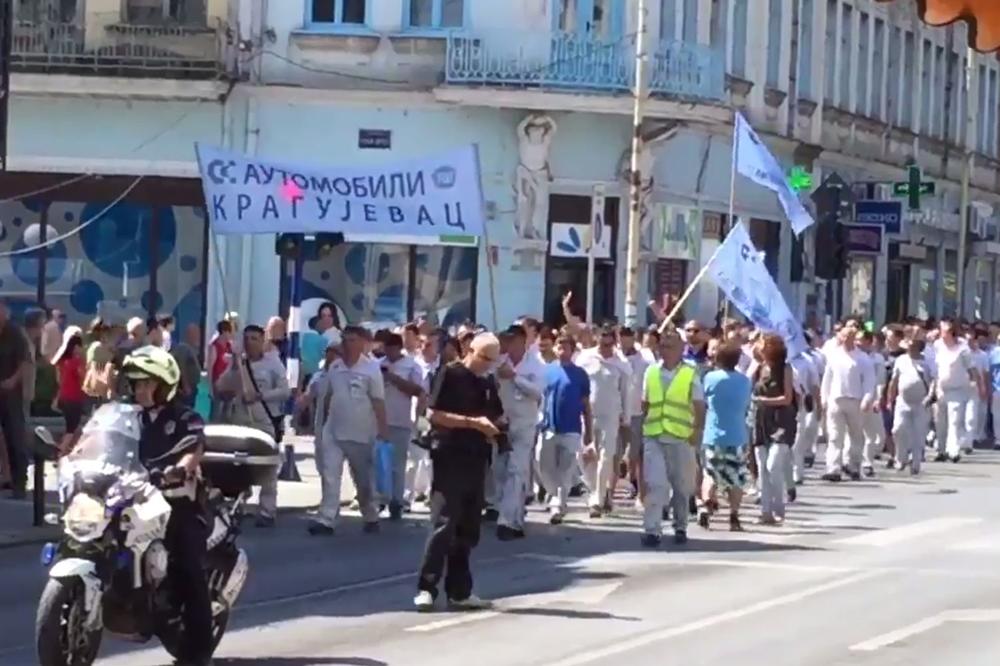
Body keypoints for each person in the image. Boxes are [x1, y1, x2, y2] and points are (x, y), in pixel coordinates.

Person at [121, 346, 213, 666]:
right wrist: (73, 454)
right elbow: (98, 440)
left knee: (186, 566)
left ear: (165, 386)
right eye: (137, 384)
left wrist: (182, 467)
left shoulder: (186, 418)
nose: (140, 390)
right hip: (135, 500)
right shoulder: (127, 416)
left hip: (179, 504)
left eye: (148, 384)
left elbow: (195, 448)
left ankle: (200, 651)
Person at [414, 333, 504, 612]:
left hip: (476, 458)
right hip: (449, 455)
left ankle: (459, 590)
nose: (487, 365)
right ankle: (426, 587)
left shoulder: (487, 382)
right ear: (470, 350)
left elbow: (495, 414)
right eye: (484, 358)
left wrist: (498, 428)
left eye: (492, 361)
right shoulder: (450, 373)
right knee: (444, 523)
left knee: (467, 527)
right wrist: (472, 423)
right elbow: (434, 414)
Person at [309, 325, 387, 535]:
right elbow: (326, 397)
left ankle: (370, 514)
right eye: (345, 340)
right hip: (334, 431)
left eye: (353, 340)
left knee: (362, 481)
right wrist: (321, 426)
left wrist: (383, 429)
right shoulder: (335, 368)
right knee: (330, 475)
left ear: (362, 343)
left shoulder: (371, 369)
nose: (348, 345)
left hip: (360, 433)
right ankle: (327, 518)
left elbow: (378, 401)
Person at [214, 325, 289, 527]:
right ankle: (239, 506)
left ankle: (267, 510)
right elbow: (220, 387)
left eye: (255, 338)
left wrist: (262, 395)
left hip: (262, 419)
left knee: (267, 466)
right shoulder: (237, 363)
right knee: (237, 466)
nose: (249, 342)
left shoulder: (273, 363)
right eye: (246, 338)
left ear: (263, 341)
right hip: (239, 419)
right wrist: (235, 366)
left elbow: (285, 391)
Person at [640, 331, 704, 547]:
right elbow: (645, 403)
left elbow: (699, 405)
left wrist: (696, 431)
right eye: (663, 345)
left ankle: (680, 526)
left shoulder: (690, 372)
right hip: (655, 435)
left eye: (670, 345)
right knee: (655, 484)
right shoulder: (651, 371)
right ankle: (652, 530)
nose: (664, 349)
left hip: (680, 437)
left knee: (681, 486)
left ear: (680, 348)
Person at [495, 324, 546, 540]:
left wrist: (514, 377)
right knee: (500, 471)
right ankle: (515, 518)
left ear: (522, 341)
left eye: (513, 340)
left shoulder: (536, 364)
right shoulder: (499, 362)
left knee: (516, 470)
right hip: (502, 424)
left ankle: (505, 521)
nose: (509, 345)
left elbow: (538, 393)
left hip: (524, 425)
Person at [537, 334, 593, 525]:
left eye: (565, 347)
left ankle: (558, 505)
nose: (562, 350)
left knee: (566, 468)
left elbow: (586, 405)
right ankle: (552, 493)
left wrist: (589, 432)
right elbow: (539, 399)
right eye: (559, 346)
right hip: (549, 428)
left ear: (572, 350)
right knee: (544, 466)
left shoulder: (580, 375)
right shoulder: (547, 372)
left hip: (572, 429)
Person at [575, 326, 630, 518]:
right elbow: (577, 385)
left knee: (607, 457)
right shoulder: (584, 358)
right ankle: (594, 490)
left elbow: (625, 390)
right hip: (587, 415)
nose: (606, 348)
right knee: (586, 456)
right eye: (602, 343)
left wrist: (627, 415)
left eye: (609, 344)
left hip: (611, 415)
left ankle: (597, 499)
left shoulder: (620, 363)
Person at [698, 342, 752, 531]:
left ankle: (706, 505)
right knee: (736, 477)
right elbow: (746, 405)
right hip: (737, 434)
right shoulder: (745, 381)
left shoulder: (710, 378)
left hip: (713, 434)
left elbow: (702, 401)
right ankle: (734, 515)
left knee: (710, 473)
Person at [750, 334, 797, 525]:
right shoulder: (759, 368)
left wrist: (763, 400)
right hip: (761, 420)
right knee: (762, 468)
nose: (758, 346)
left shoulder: (785, 369)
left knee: (773, 465)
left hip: (781, 420)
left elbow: (787, 398)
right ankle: (765, 512)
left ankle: (779, 508)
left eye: (762, 343)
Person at [821, 322, 876, 482]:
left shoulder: (862, 358)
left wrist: (867, 398)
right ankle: (833, 468)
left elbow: (869, 381)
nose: (845, 339)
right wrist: (824, 398)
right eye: (843, 336)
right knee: (835, 436)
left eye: (849, 337)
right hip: (836, 400)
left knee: (855, 436)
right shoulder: (834, 356)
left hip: (855, 401)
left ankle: (853, 466)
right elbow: (827, 379)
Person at [380, 333, 425, 519]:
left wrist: (392, 377)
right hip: (380, 420)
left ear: (398, 348)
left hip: (401, 420)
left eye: (391, 348)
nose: (388, 353)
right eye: (386, 349)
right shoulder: (377, 364)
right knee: (380, 462)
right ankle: (382, 498)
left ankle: (397, 501)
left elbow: (417, 390)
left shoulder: (411, 365)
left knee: (398, 464)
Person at [887, 339, 934, 475]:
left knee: (918, 433)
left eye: (913, 346)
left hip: (921, 402)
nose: (910, 348)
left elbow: (932, 381)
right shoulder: (901, 360)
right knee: (898, 429)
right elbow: (894, 381)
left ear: (919, 347)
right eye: (908, 346)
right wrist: (890, 400)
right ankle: (900, 458)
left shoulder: (926, 363)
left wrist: (929, 397)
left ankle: (916, 462)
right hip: (903, 401)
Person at [0, 300, 31, 498]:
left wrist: (13, 380)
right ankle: (6, 476)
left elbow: (25, 361)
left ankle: (19, 481)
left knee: (14, 435)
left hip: (10, 392)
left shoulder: (14, 333)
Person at [53, 327, 87, 435]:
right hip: (74, 398)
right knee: (72, 429)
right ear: (76, 347)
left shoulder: (62, 362)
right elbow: (83, 378)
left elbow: (59, 380)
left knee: (70, 427)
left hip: (64, 397)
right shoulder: (76, 362)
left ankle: (64, 449)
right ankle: (62, 450)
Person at [171, 323, 204, 408]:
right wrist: (186, 386)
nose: (198, 336)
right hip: (185, 389)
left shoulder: (193, 349)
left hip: (192, 387)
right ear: (189, 335)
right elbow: (181, 367)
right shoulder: (183, 348)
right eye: (195, 334)